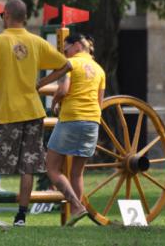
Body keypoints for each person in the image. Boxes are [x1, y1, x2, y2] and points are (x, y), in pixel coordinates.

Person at [0, 0, 72, 227]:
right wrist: (40, 83)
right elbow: (66, 65)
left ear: (6, 15)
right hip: (33, 111)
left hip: (6, 113)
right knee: (28, 167)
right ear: (25, 17)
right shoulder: (36, 42)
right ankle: (21, 217)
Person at [46, 34, 105, 226]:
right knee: (77, 173)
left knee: (52, 168)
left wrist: (54, 102)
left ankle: (77, 206)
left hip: (71, 118)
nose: (64, 52)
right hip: (92, 121)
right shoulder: (100, 70)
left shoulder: (71, 64)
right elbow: (100, 102)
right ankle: (75, 216)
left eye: (66, 48)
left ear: (77, 46)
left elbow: (63, 90)